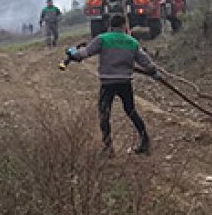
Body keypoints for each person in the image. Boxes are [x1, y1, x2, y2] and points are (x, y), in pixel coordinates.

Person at [66, 14, 157, 155]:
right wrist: (153, 71)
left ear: (110, 26)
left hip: (107, 82)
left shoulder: (102, 39)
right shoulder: (132, 42)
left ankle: (108, 148)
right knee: (131, 111)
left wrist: (72, 52)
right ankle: (145, 141)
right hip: (125, 82)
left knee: (104, 113)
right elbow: (146, 62)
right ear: (124, 26)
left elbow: (84, 53)